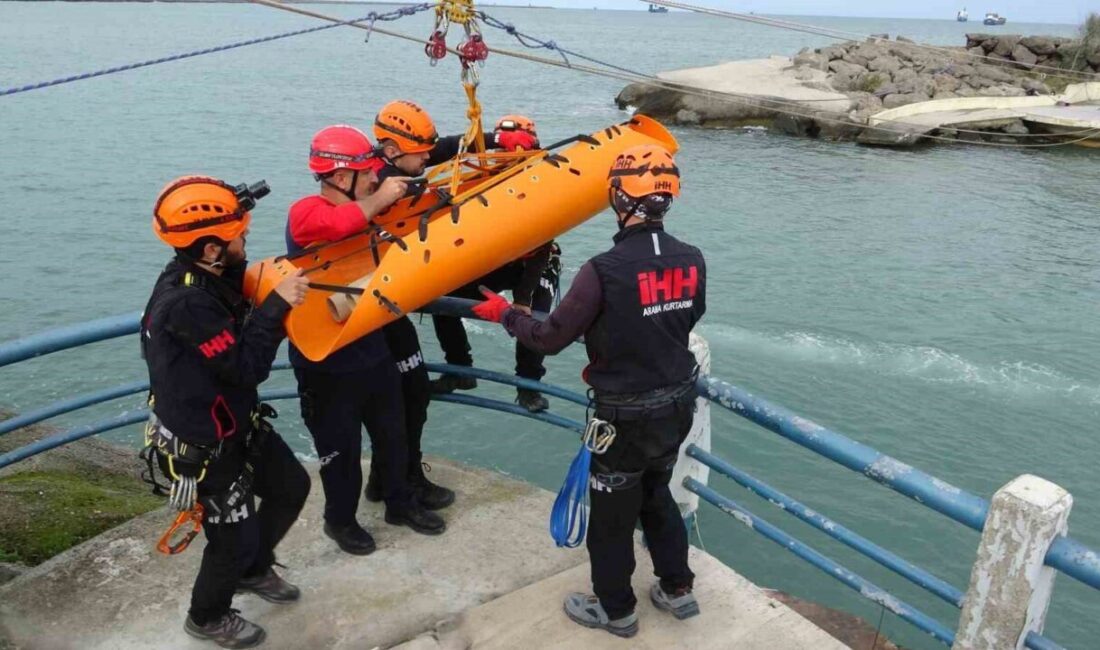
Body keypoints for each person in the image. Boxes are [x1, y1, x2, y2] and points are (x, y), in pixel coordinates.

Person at [472, 144, 706, 638]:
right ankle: (677, 587)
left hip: (623, 417)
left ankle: (616, 610)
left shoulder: (604, 269)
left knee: (611, 517)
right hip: (676, 405)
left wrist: (506, 314)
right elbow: (688, 316)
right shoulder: (692, 258)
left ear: (619, 197)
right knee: (657, 493)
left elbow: (549, 337)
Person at [141, 175, 312, 648]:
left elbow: (234, 302)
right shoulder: (187, 304)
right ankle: (207, 615)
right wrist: (276, 307)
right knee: (231, 538)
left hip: (234, 425)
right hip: (204, 446)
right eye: (240, 237)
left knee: (291, 487)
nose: (246, 241)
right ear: (212, 249)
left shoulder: (203, 276)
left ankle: (253, 569)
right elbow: (246, 368)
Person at [360, 102, 539, 501]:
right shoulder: (382, 182)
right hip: (378, 306)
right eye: (420, 151)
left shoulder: (383, 165)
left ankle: (389, 481)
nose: (428, 157)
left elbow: (442, 149)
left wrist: (494, 139)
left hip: (386, 302)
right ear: (392, 150)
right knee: (401, 398)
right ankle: (399, 488)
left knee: (403, 396)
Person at [288, 125, 446, 557]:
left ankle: (399, 502)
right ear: (341, 177)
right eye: (369, 172)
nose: (377, 177)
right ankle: (339, 520)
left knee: (392, 434)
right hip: (325, 360)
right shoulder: (307, 212)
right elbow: (336, 224)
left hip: (371, 348)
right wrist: (381, 199)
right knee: (340, 450)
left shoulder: (367, 212)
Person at [429, 115, 559, 413]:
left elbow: (542, 247)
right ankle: (459, 368)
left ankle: (528, 385)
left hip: (534, 263)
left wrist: (522, 300)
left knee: (534, 316)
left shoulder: (545, 185)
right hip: (496, 259)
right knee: (443, 298)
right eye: (502, 151)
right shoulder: (483, 180)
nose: (506, 158)